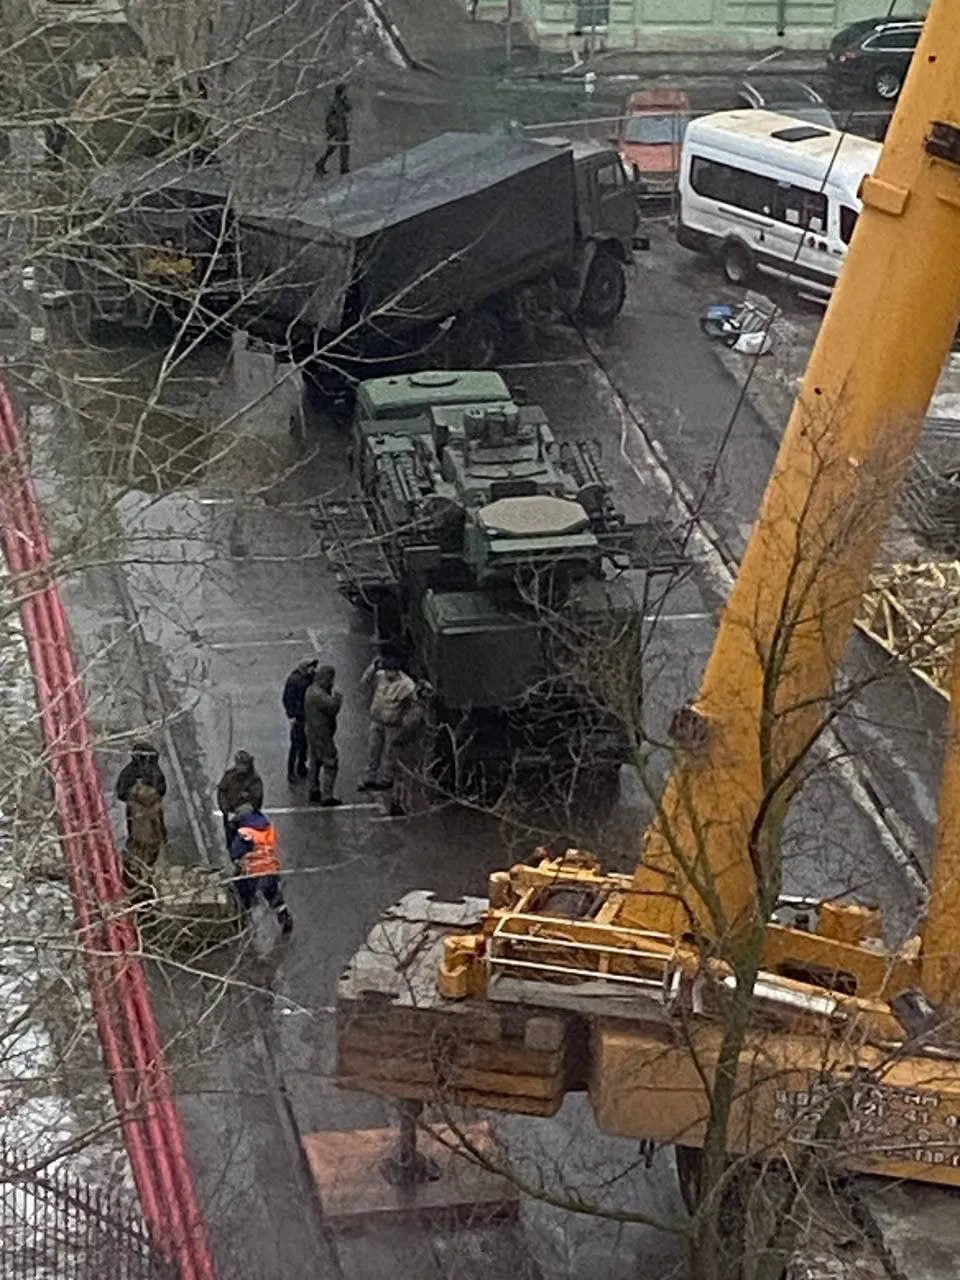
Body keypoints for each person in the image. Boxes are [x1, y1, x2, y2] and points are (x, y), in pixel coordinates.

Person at [228, 804, 293, 937]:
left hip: (252, 871)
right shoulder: (266, 828)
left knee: (244, 899)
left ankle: (241, 927)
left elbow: (235, 853)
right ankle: (285, 918)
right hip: (270, 868)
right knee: (274, 897)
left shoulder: (245, 833)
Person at [359, 653, 417, 792]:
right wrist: (372, 667)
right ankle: (370, 777)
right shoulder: (380, 676)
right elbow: (365, 680)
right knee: (373, 750)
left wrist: (406, 720)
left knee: (390, 752)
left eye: (391, 670)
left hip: (393, 723)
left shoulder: (406, 684)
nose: (388, 673)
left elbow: (413, 704)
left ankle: (387, 779)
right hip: (377, 720)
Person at [116, 742, 168, 880]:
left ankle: (136, 874)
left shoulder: (129, 771)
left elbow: (120, 791)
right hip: (148, 813)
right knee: (150, 844)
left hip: (137, 814)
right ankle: (144, 874)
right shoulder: (156, 772)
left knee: (138, 843)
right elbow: (162, 789)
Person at [387, 680, 434, 817]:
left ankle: (399, 802)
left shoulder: (413, 707)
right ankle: (398, 803)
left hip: (404, 745)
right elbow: (409, 727)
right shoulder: (417, 710)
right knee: (403, 775)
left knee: (401, 775)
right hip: (405, 746)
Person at [304, 665, 342, 806]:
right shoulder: (319, 694)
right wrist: (338, 697)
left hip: (312, 731)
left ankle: (313, 789)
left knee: (314, 762)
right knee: (330, 761)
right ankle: (327, 795)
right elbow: (332, 708)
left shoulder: (310, 690)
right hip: (322, 733)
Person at [216, 751, 264, 847]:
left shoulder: (254, 780)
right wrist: (225, 807)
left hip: (246, 817)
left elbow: (257, 798)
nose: (240, 767)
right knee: (231, 840)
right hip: (230, 813)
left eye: (243, 765)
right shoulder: (230, 776)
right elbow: (222, 791)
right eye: (239, 764)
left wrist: (246, 809)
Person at [282, 658, 317, 783]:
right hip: (299, 717)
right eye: (311, 666)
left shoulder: (308, 678)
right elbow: (287, 699)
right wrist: (291, 715)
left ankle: (301, 767)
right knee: (297, 745)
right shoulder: (295, 681)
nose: (313, 669)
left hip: (306, 716)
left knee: (304, 745)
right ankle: (292, 771)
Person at [315, 83, 351, 177]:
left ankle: (321, 163)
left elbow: (348, 109)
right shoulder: (336, 101)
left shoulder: (339, 100)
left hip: (338, 126)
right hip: (337, 126)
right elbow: (342, 111)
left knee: (334, 146)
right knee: (343, 145)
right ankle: (343, 168)